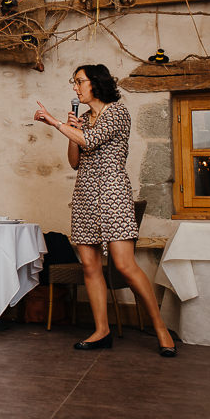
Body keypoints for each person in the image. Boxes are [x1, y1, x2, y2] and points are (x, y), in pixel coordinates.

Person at [33, 64, 176, 357]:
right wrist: (71, 128)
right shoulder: (85, 118)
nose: (75, 87)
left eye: (79, 82)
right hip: (85, 194)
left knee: (124, 264)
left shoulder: (117, 112)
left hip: (113, 193)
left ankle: (160, 327)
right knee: (89, 265)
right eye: (74, 83)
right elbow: (75, 160)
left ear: (96, 83)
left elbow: (92, 141)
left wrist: (56, 122)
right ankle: (101, 331)